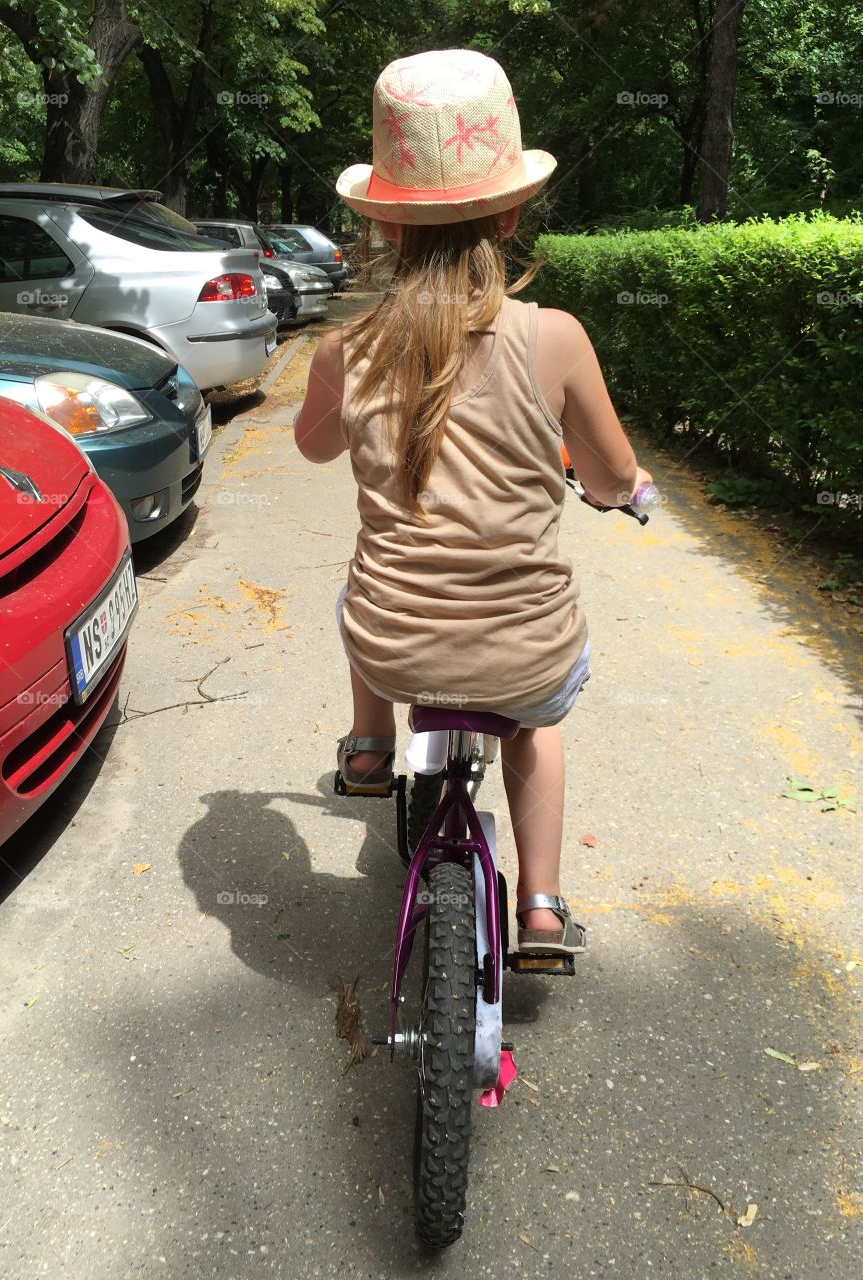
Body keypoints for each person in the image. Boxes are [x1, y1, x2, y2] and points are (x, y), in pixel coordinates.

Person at [294, 48, 652, 956]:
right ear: (513, 210)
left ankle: (371, 751)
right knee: (537, 724)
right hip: (523, 652)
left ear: (383, 221)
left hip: (395, 644)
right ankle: (540, 906)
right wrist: (628, 491)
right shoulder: (557, 339)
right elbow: (608, 476)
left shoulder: (348, 346)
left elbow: (312, 444)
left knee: (358, 592)